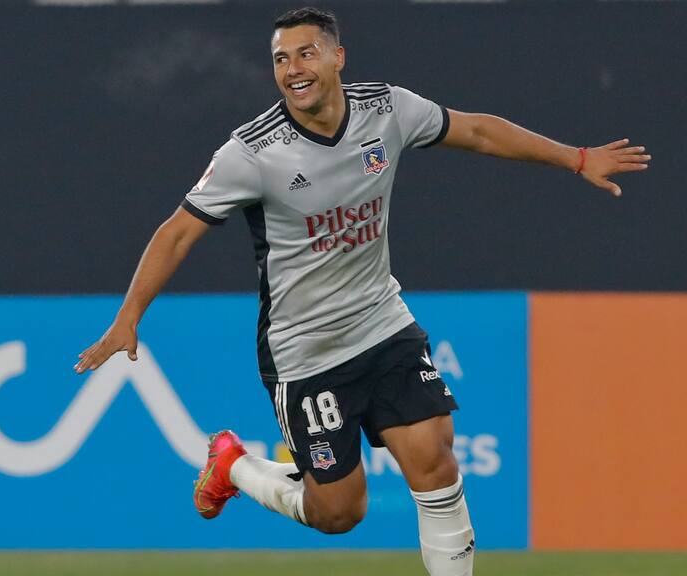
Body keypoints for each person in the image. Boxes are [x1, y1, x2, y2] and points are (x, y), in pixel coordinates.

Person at [74, 7, 649, 575]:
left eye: (306, 53)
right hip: (306, 354)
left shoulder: (388, 109)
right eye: (280, 59)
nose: (293, 69)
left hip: (382, 323)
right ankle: (234, 465)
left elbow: (474, 129)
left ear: (337, 57)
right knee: (340, 513)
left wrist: (576, 159)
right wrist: (130, 316)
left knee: (436, 460)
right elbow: (177, 232)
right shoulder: (252, 152)